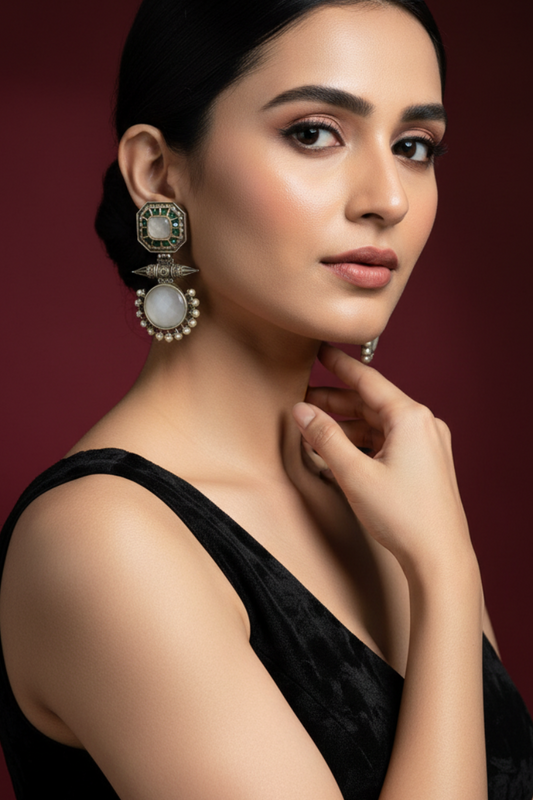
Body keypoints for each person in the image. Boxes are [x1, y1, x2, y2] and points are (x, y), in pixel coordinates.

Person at [0, 0, 532, 798]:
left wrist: (435, 560)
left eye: (414, 146)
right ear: (158, 171)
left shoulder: (390, 499)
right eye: (314, 132)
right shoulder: (101, 541)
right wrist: (447, 575)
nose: (386, 196)